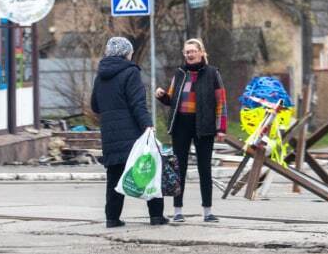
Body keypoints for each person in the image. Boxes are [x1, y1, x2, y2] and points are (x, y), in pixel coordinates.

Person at [90, 36, 169, 228]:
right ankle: (156, 215)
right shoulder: (130, 72)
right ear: (127, 53)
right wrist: (148, 125)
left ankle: (112, 218)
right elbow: (137, 103)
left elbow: (94, 105)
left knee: (115, 175)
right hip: (131, 132)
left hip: (109, 133)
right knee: (148, 169)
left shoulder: (100, 75)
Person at [155, 38, 226, 223]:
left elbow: (221, 102)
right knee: (179, 168)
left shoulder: (212, 73)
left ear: (201, 52)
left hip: (205, 125)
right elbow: (172, 99)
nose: (190, 54)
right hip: (181, 125)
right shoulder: (179, 74)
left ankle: (207, 212)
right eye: (187, 52)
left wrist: (221, 128)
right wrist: (162, 96)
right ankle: (178, 211)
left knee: (204, 168)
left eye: (193, 51)